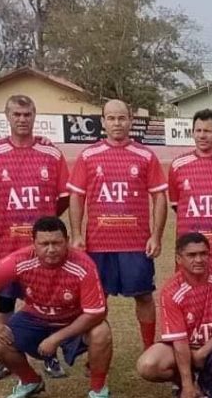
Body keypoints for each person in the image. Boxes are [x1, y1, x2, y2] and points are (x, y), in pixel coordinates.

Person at [0, 216, 114, 398]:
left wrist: (56, 338)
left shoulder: (84, 265)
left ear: (67, 241)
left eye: (57, 243)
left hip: (73, 320)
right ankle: (30, 381)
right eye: (44, 244)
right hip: (35, 318)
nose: (51, 249)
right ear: (33, 243)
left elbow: (96, 313)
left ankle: (98, 389)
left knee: (101, 332)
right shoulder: (20, 259)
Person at [0, 93, 70, 379]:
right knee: (5, 302)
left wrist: (43, 223)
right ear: (7, 117)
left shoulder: (51, 153)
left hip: (43, 248)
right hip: (6, 243)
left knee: (47, 302)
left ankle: (49, 355)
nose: (22, 119)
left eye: (27, 114)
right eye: (17, 114)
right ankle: (6, 355)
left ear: (34, 116)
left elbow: (63, 198)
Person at [67, 98, 168, 349]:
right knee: (97, 300)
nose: (117, 123)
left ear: (131, 121)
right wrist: (76, 234)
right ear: (103, 122)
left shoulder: (145, 155)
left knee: (144, 296)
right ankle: (97, 349)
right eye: (111, 118)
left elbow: (159, 197)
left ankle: (149, 348)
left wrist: (156, 236)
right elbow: (77, 196)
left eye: (122, 118)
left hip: (135, 243)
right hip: (98, 244)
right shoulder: (88, 155)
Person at [135, 232, 212, 398]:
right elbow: (179, 340)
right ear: (178, 259)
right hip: (181, 347)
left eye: (203, 253)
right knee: (147, 366)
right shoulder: (171, 290)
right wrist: (187, 385)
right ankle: (182, 382)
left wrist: (203, 353)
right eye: (191, 255)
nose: (199, 259)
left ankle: (208, 380)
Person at [168, 108, 212, 277]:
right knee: (189, 289)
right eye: (198, 130)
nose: (201, 135)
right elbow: (177, 205)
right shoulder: (178, 165)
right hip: (190, 248)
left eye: (207, 131)